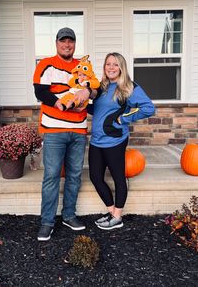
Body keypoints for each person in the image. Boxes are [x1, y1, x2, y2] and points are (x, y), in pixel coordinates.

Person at [33, 27, 92, 241]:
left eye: (71, 41)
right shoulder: (45, 64)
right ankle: (47, 221)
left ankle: (69, 215)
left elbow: (94, 87)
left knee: (74, 175)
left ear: (75, 44)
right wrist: (59, 103)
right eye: (63, 41)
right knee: (51, 175)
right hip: (54, 129)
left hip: (78, 129)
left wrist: (88, 92)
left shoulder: (82, 66)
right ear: (56, 43)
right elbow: (40, 91)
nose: (67, 45)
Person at [88, 52, 155, 230]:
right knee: (95, 177)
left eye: (115, 64)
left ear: (121, 68)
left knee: (118, 178)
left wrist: (123, 119)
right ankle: (112, 213)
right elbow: (97, 110)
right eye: (108, 64)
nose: (111, 67)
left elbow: (149, 108)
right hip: (96, 141)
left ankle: (117, 217)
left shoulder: (128, 87)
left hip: (115, 140)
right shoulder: (100, 88)